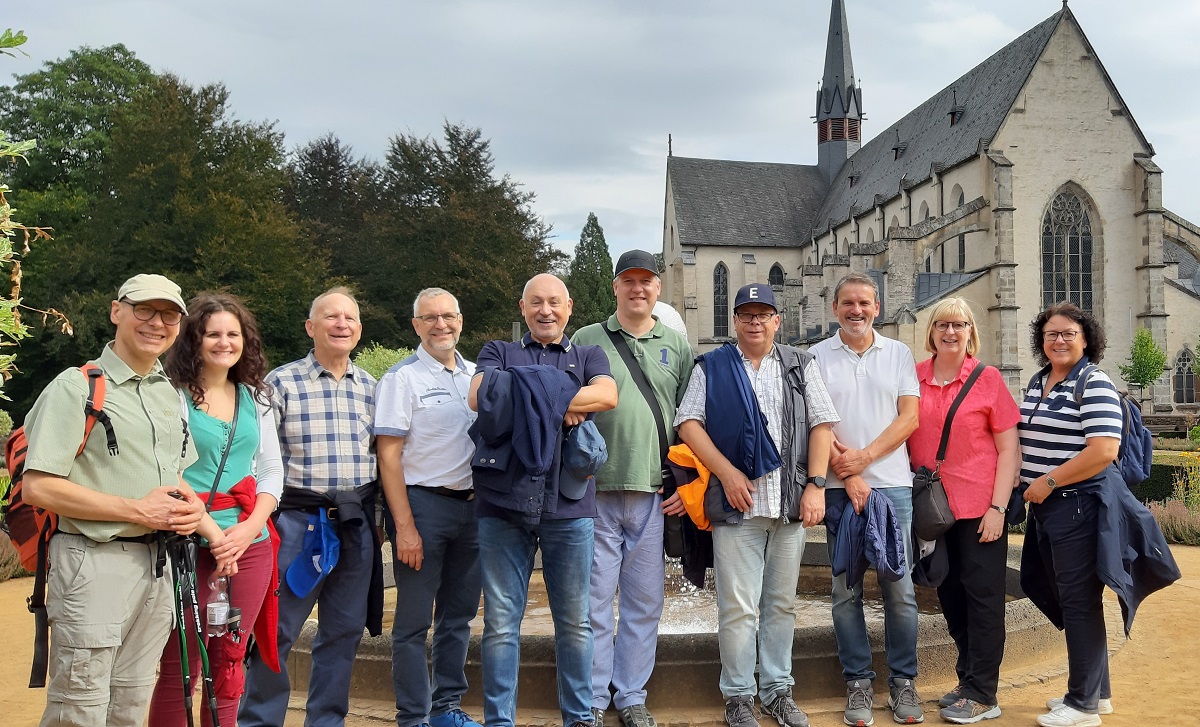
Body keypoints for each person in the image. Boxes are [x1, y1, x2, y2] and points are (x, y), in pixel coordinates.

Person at [22, 273, 236, 727]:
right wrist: (137, 511)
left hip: (158, 568)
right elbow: (38, 486)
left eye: (169, 315)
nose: (156, 323)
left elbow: (175, 478)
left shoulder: (167, 393)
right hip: (92, 562)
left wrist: (200, 518)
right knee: (79, 704)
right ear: (116, 311)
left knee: (130, 703)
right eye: (144, 310)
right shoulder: (76, 387)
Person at [675, 283, 837, 727]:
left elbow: (822, 424)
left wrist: (817, 486)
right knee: (738, 607)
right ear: (736, 320)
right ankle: (740, 696)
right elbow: (688, 423)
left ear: (776, 320)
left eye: (763, 314)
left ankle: (778, 690)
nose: (754, 322)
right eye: (746, 314)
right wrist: (726, 473)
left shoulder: (800, 365)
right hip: (737, 508)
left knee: (781, 604)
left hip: (788, 507)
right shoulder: (711, 366)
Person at [467, 273, 618, 727]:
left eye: (554, 302)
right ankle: (499, 722)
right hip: (501, 504)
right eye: (537, 303)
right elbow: (478, 396)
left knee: (574, 623)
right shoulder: (498, 351)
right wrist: (561, 398)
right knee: (500, 623)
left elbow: (607, 395)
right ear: (523, 307)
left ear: (569, 307)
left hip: (568, 506)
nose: (546, 310)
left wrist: (522, 392)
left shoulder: (589, 353)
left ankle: (579, 718)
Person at [240, 286, 379, 727]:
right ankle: (260, 721)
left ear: (359, 329)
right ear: (310, 327)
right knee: (276, 630)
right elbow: (258, 460)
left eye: (350, 318)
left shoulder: (374, 389)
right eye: (331, 317)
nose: (342, 324)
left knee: (343, 633)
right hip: (297, 524)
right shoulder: (278, 384)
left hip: (356, 524)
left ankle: (326, 721)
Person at [147, 293, 284, 726]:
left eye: (233, 333)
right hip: (188, 540)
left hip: (250, 544)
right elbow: (166, 469)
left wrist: (249, 530)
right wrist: (213, 533)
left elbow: (270, 470)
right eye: (212, 334)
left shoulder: (255, 398)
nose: (224, 342)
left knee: (227, 663)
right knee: (180, 664)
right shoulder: (171, 398)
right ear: (194, 340)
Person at [572, 250, 694, 727]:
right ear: (616, 286)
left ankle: (632, 696)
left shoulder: (677, 346)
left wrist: (691, 486)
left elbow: (692, 420)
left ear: (658, 288)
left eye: (647, 281)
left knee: (645, 603)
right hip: (595, 490)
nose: (638, 289)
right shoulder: (586, 339)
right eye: (629, 281)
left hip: (655, 490)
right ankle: (594, 699)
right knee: (595, 602)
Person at [809, 272, 923, 726]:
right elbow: (817, 421)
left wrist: (866, 460)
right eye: (848, 303)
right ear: (834, 308)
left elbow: (909, 417)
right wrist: (848, 472)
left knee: (900, 591)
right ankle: (857, 683)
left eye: (864, 303)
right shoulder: (815, 356)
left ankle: (903, 683)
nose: (857, 311)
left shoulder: (898, 353)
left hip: (893, 486)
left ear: (877, 307)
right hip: (838, 490)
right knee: (845, 590)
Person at [905, 298, 1019, 725]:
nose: (950, 332)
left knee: (984, 599)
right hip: (932, 511)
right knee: (950, 596)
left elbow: (1010, 449)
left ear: (972, 331)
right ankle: (968, 678)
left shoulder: (987, 380)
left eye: (959, 325)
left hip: (978, 509)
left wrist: (998, 507)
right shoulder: (913, 377)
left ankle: (983, 693)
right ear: (930, 331)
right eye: (942, 325)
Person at [376, 288, 482, 727]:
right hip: (423, 507)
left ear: (461, 319)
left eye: (449, 316)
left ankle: (446, 709)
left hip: (473, 510)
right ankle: (413, 717)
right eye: (430, 318)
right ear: (416, 325)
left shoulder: (476, 375)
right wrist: (404, 527)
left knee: (458, 616)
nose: (442, 325)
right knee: (414, 622)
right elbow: (388, 456)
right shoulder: (401, 380)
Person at [1018, 303, 1122, 727]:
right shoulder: (1040, 380)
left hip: (1076, 504)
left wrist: (1048, 482)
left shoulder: (1094, 382)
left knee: (1079, 602)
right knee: (1068, 597)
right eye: (1050, 334)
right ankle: (1100, 691)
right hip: (1048, 509)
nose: (1058, 341)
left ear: (1086, 339)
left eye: (1067, 333)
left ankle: (1083, 706)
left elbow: (1103, 451)